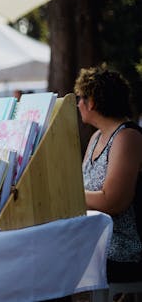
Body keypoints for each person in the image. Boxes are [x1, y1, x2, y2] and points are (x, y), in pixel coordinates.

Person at [74, 66, 142, 283]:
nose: (77, 104)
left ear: (91, 101)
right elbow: (83, 186)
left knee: (52, 261)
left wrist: (66, 195)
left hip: (123, 248)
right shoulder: (96, 137)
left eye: (80, 98)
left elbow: (112, 201)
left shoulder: (127, 137)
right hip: (94, 239)